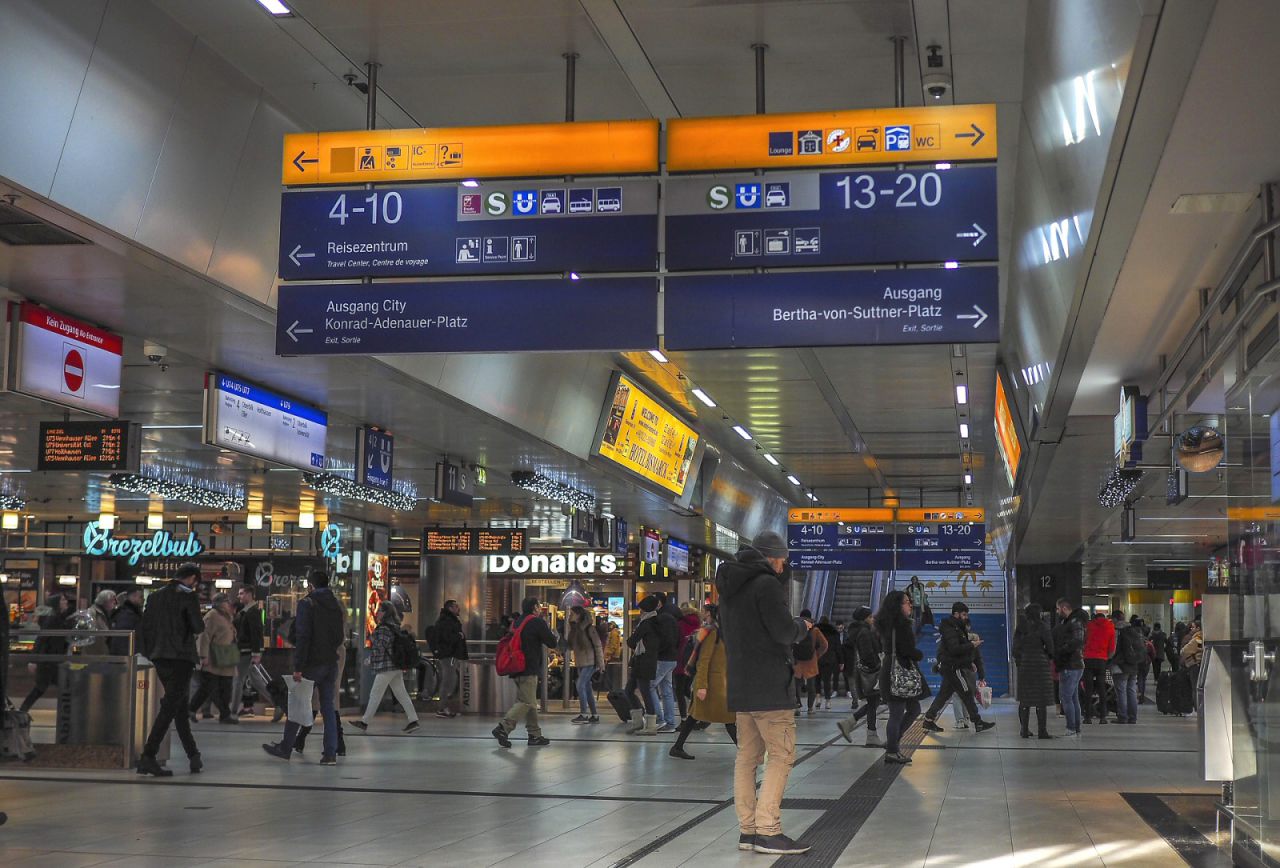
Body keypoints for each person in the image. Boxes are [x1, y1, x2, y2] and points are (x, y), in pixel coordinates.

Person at [715, 530, 813, 856]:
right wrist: (802, 627)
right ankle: (769, 830)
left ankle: (748, 831)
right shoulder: (766, 584)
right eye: (783, 559)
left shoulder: (728, 588)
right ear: (772, 557)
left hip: (742, 686)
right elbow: (784, 631)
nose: (785, 565)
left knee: (747, 758)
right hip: (770, 686)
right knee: (781, 755)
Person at [262, 570, 347, 765]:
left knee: (298, 702)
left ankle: (285, 747)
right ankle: (330, 753)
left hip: (312, 663)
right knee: (328, 707)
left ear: (311, 585)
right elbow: (339, 637)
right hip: (330, 662)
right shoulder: (335, 604)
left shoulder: (307, 603)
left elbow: (303, 636)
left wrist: (299, 666)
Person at [137, 563, 205, 777]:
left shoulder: (155, 596)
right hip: (181, 658)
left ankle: (193, 755)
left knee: (178, 706)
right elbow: (198, 627)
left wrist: (151, 652)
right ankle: (148, 756)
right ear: (192, 578)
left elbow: (146, 626)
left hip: (159, 656)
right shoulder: (188, 596)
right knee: (170, 707)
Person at [669, 605, 737, 760]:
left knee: (695, 715)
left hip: (719, 682)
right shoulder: (711, 632)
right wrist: (701, 685)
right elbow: (703, 660)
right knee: (728, 718)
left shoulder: (722, 632)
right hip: (712, 684)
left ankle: (677, 747)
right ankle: (745, 752)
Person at [491, 597, 557, 748]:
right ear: (535, 607)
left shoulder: (517, 621)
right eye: (539, 606)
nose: (540, 609)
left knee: (530, 702)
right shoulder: (536, 622)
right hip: (528, 667)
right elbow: (552, 642)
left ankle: (535, 735)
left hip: (516, 667)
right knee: (526, 702)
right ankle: (503, 727)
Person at [920, 602, 994, 734]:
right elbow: (954, 649)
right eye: (964, 614)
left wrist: (969, 661)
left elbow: (955, 649)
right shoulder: (951, 628)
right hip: (953, 667)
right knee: (965, 693)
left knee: (944, 695)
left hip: (952, 665)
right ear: (957, 614)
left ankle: (928, 720)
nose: (966, 617)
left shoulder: (957, 628)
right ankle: (977, 722)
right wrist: (972, 645)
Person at [878, 590, 930, 765]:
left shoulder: (886, 624)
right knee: (897, 713)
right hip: (899, 672)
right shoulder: (901, 625)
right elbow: (907, 650)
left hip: (891, 669)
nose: (910, 605)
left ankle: (892, 741)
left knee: (912, 709)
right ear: (897, 606)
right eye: (906, 602)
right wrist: (919, 654)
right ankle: (892, 751)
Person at [352, 601, 420, 733]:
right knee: (401, 694)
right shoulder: (394, 626)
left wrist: (370, 659)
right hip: (395, 666)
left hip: (386, 666)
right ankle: (413, 720)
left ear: (385, 613)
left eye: (380, 611)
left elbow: (380, 647)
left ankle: (364, 722)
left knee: (375, 694)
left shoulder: (383, 628)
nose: (377, 613)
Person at [189, 593, 240, 725]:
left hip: (226, 656)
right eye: (226, 601)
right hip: (213, 658)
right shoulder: (212, 616)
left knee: (225, 687)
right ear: (220, 603)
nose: (228, 604)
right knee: (209, 687)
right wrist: (203, 655)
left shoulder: (226, 616)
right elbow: (204, 636)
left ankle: (224, 714)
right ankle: (192, 710)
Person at [836, 606, 882, 747]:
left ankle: (851, 724)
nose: (873, 619)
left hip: (863, 673)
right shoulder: (864, 632)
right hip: (870, 673)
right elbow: (867, 654)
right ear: (865, 619)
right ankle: (869, 734)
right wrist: (877, 665)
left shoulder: (858, 631)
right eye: (870, 617)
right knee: (874, 703)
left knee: (873, 703)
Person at [19, 595, 70, 713]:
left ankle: (22, 711)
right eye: (63, 600)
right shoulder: (53, 619)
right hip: (48, 661)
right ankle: (22, 711)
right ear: (56, 603)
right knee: (42, 688)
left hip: (53, 660)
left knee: (43, 688)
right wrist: (33, 660)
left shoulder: (59, 618)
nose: (66, 601)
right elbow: (41, 639)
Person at [1013, 604, 1055, 739]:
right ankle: (1042, 731)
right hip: (1040, 666)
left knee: (1025, 699)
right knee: (1040, 699)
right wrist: (1047, 657)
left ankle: (1024, 730)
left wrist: (1020, 661)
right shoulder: (1043, 626)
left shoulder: (1021, 627)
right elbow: (1050, 647)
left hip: (1025, 665)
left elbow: (1015, 649)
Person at [626, 595, 665, 736]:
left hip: (644, 662)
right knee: (630, 690)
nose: (640, 612)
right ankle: (639, 722)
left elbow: (631, 641)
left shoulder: (646, 623)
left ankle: (650, 725)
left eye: (641, 609)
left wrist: (634, 639)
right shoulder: (654, 622)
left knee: (644, 692)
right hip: (645, 661)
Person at [1052, 599, 1087, 736]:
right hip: (1074, 665)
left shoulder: (1074, 622)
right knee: (1073, 698)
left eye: (1058, 609)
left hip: (1070, 665)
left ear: (1064, 608)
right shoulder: (1071, 623)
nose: (1057, 611)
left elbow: (1077, 641)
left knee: (1065, 697)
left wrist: (1061, 649)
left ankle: (1071, 727)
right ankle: (1076, 727)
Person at [566, 605, 604, 724]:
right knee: (586, 688)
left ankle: (583, 714)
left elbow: (598, 645)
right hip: (581, 663)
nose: (570, 615)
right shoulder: (574, 629)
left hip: (590, 662)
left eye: (572, 613)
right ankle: (594, 715)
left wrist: (601, 664)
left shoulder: (589, 628)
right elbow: (570, 646)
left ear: (579, 615)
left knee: (580, 685)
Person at [431, 600, 468, 719]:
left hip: (449, 655)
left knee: (450, 680)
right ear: (450, 608)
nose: (459, 608)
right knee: (448, 681)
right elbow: (447, 637)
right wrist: (459, 636)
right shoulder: (447, 621)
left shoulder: (448, 620)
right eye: (456, 606)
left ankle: (444, 707)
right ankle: (442, 708)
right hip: (448, 655)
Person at [232, 585, 264, 717]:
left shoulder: (252, 612)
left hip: (247, 651)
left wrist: (256, 653)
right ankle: (279, 703)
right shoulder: (247, 611)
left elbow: (256, 633)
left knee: (238, 680)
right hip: (246, 650)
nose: (239, 596)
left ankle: (232, 711)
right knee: (255, 681)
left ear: (249, 594)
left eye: (241, 593)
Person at [650, 595, 681, 733]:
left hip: (663, 658)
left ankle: (660, 719)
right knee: (667, 691)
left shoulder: (662, 618)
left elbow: (663, 640)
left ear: (658, 604)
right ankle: (670, 722)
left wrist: (656, 651)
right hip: (672, 658)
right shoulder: (675, 617)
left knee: (649, 686)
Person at [1082, 611, 1116, 724]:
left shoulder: (1089, 625)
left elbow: (1083, 641)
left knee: (1088, 689)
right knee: (1102, 689)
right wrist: (1107, 658)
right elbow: (1112, 648)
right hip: (1102, 660)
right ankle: (1103, 717)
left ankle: (1087, 717)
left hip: (1088, 659)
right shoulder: (1110, 627)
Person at [794, 609, 829, 714]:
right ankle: (810, 709)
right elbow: (825, 644)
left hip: (797, 661)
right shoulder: (814, 630)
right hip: (811, 661)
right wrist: (817, 654)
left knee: (797, 685)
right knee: (811, 686)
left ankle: (797, 707)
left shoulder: (795, 628)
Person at [1110, 611, 1143, 724]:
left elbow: (1112, 649)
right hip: (1133, 665)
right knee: (1132, 691)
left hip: (1120, 665)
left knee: (1121, 692)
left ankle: (1122, 716)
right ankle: (1133, 717)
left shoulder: (1117, 631)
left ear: (1115, 619)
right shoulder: (1133, 630)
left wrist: (1109, 660)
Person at [673, 605, 702, 720]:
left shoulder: (679, 623)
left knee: (679, 691)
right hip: (693, 660)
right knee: (687, 688)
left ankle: (684, 718)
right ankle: (698, 713)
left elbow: (676, 641)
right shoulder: (698, 624)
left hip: (680, 660)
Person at [108, 588, 144, 656]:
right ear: (133, 596)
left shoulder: (129, 612)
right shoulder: (128, 614)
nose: (143, 599)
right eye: (141, 597)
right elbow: (122, 639)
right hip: (127, 656)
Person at [815, 616, 840, 709]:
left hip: (817, 658)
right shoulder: (833, 632)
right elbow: (838, 648)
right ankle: (828, 701)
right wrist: (841, 661)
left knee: (817, 679)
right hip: (829, 659)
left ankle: (818, 698)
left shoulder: (815, 631)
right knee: (827, 681)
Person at [82, 589, 117, 657]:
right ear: (105, 601)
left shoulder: (108, 614)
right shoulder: (92, 612)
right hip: (93, 653)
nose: (115, 602)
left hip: (102, 652)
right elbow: (89, 633)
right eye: (112, 600)